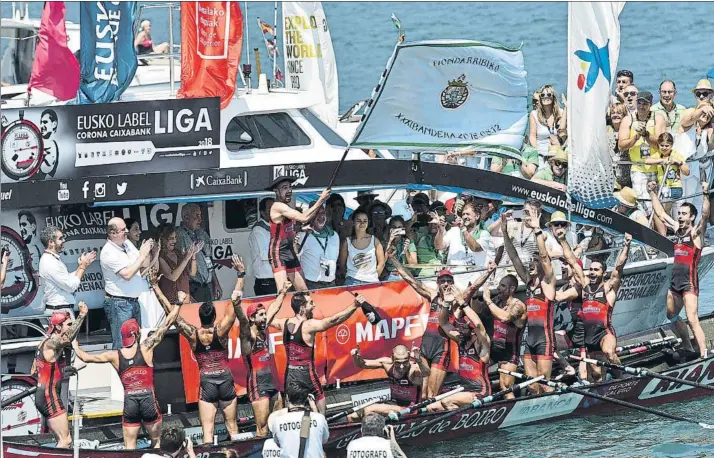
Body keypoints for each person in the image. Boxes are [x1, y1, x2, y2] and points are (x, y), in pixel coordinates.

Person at [152, 255, 246, 442]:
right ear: (213, 317)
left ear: (200, 317)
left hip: (208, 382)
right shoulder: (220, 331)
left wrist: (155, 287)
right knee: (233, 427)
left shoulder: (193, 335)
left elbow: (172, 315)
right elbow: (234, 304)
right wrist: (241, 275)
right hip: (225, 379)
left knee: (208, 431)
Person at [72, 291, 181, 449]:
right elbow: (167, 324)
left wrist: (75, 343)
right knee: (157, 444)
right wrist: (178, 305)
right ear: (136, 335)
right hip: (148, 401)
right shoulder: (146, 348)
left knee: (129, 447)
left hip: (130, 403)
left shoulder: (114, 356)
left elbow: (86, 357)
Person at [269, 292, 365, 414]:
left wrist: (281, 294)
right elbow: (333, 320)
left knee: (293, 408)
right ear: (302, 308)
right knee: (320, 407)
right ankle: (322, 425)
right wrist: (354, 306)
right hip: (306, 374)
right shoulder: (308, 325)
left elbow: (268, 317)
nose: (314, 306)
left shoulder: (283, 323)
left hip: (290, 374)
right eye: (311, 303)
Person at [386, 250, 461, 398]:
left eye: (449, 281)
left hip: (441, 349)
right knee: (422, 393)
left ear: (453, 283)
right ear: (437, 283)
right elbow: (411, 280)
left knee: (433, 394)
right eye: (442, 281)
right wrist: (393, 258)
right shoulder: (433, 295)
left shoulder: (458, 299)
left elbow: (473, 290)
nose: (446, 284)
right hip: (425, 347)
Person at [650, 181, 710, 358]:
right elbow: (660, 213)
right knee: (672, 315)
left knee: (692, 319)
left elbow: (705, 216)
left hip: (689, 283)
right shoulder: (677, 230)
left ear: (691, 217)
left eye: (684, 214)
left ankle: (704, 355)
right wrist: (652, 192)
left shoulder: (695, 234)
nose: (680, 216)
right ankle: (687, 346)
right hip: (675, 284)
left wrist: (705, 194)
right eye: (680, 213)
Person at [501, 207, 557, 392]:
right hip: (529, 338)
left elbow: (544, 256)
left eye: (535, 262)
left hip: (544, 339)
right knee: (532, 386)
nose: (531, 264)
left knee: (544, 384)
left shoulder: (547, 283)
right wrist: (503, 230)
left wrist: (537, 229)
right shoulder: (528, 280)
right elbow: (514, 256)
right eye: (531, 262)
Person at [235, 281, 291, 437]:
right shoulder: (248, 336)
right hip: (258, 385)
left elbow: (274, 308)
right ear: (252, 318)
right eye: (261, 315)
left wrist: (283, 292)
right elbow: (243, 322)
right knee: (263, 428)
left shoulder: (263, 329)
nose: (265, 317)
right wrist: (237, 305)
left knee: (280, 424)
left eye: (264, 314)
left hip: (273, 382)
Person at [31, 302, 88, 447]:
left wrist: (62, 371)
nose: (70, 327)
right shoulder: (52, 342)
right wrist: (81, 315)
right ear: (57, 327)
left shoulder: (43, 343)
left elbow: (35, 370)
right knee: (66, 440)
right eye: (68, 324)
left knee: (61, 441)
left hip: (45, 394)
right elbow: (68, 338)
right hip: (49, 396)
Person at [268, 175, 330, 292]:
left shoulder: (286, 206)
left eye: (290, 187)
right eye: (285, 188)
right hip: (278, 253)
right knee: (282, 292)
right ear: (276, 191)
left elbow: (288, 227)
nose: (289, 191)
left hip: (290, 252)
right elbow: (303, 217)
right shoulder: (277, 206)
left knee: (304, 291)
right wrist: (321, 199)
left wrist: (301, 229)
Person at [100, 217, 154, 349]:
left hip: (134, 301)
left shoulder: (127, 244)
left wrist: (147, 252)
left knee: (136, 341)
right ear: (113, 233)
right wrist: (141, 256)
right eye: (123, 229)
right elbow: (127, 274)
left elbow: (144, 264)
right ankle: (120, 369)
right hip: (119, 303)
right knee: (122, 344)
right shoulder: (108, 252)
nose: (126, 231)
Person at [347, 344, 428, 421]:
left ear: (409, 357)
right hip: (393, 404)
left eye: (405, 362)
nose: (402, 366)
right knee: (352, 416)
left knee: (369, 410)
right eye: (398, 363)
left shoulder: (413, 369)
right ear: (392, 359)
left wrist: (419, 360)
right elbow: (362, 364)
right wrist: (356, 357)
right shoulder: (387, 364)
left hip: (411, 409)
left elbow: (426, 373)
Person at [434, 301, 491, 409]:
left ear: (472, 331)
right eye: (459, 327)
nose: (459, 330)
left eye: (463, 328)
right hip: (465, 391)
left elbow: (479, 326)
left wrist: (463, 303)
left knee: (446, 401)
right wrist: (446, 303)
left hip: (480, 393)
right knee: (431, 407)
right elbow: (443, 323)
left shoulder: (481, 344)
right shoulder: (460, 340)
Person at [619, 91, 667, 214]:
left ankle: (656, 231)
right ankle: (645, 228)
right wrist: (636, 137)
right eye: (639, 102)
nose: (641, 106)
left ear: (650, 104)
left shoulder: (658, 118)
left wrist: (646, 134)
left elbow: (661, 145)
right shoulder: (628, 120)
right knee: (643, 204)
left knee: (659, 204)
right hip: (638, 168)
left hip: (657, 168)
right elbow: (622, 146)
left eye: (644, 103)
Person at [482, 273, 526, 398]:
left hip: (509, 352)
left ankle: (514, 410)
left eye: (502, 286)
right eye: (499, 285)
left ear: (512, 289)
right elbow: (481, 312)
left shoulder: (518, 305)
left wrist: (488, 301)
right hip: (494, 348)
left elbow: (505, 317)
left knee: (506, 387)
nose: (498, 288)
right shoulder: (497, 301)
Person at [38, 226, 96, 316]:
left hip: (60, 310)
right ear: (51, 242)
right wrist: (82, 267)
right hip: (59, 311)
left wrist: (82, 265)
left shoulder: (52, 259)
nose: (64, 240)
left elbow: (67, 279)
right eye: (60, 238)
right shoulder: (50, 262)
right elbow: (70, 286)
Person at [268, 381, 329, 458]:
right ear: (306, 397)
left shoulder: (277, 421)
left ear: (287, 397)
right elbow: (323, 440)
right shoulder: (319, 418)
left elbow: (278, 444)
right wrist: (313, 407)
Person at [176, 204, 219, 302]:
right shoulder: (179, 235)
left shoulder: (202, 233)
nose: (200, 219)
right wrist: (186, 293)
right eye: (196, 216)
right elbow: (179, 266)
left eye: (200, 216)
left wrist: (216, 283)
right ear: (186, 218)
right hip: (193, 287)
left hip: (208, 285)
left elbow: (209, 260)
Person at [435, 202, 493, 270]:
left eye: (468, 214)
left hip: (475, 278)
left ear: (477, 216)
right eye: (463, 214)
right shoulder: (454, 231)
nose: (465, 217)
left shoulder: (484, 234)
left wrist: (463, 229)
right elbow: (439, 246)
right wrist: (440, 231)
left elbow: (475, 248)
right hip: (453, 278)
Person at [296, 202, 340, 290]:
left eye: (323, 213)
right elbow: (296, 257)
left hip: (331, 284)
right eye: (317, 213)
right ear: (310, 216)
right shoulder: (303, 235)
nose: (321, 216)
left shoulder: (334, 235)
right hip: (311, 284)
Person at [338, 208, 385, 286]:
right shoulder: (347, 242)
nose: (362, 223)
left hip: (372, 281)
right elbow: (342, 265)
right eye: (359, 221)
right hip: (351, 281)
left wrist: (373, 277)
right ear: (353, 222)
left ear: (368, 222)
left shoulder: (375, 240)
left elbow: (382, 263)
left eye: (365, 221)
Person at [158, 225, 200, 304]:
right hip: (170, 302)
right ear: (163, 239)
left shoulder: (178, 253)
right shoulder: (160, 257)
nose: (174, 241)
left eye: (175, 238)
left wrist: (193, 255)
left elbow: (192, 273)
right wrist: (186, 258)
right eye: (171, 238)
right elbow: (173, 277)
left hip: (185, 298)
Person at [529, 85, 566, 167]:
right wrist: (536, 151)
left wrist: (566, 106)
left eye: (549, 95)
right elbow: (532, 136)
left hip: (556, 153)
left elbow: (563, 132)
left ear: (553, 97)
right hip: (541, 153)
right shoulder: (534, 114)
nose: (545, 97)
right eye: (542, 95)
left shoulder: (561, 113)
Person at [250, 198, 278, 296]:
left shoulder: (278, 227)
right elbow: (265, 254)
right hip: (266, 283)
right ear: (262, 212)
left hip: (279, 279)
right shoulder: (258, 230)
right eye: (270, 208)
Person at [609, 102, 632, 189]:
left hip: (626, 175)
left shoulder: (630, 132)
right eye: (613, 113)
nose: (615, 115)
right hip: (611, 176)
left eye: (619, 113)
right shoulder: (606, 130)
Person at [382, 216, 412, 280]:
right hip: (390, 274)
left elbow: (413, 264)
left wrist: (406, 251)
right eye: (394, 227)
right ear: (390, 228)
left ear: (403, 228)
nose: (397, 230)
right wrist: (390, 241)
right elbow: (382, 262)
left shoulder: (408, 241)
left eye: (399, 227)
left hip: (404, 274)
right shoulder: (384, 242)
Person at [38, 109, 59, 179]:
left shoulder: (53, 146)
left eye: (45, 122)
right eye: (41, 122)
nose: (41, 125)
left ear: (54, 124)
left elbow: (46, 169)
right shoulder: (36, 140)